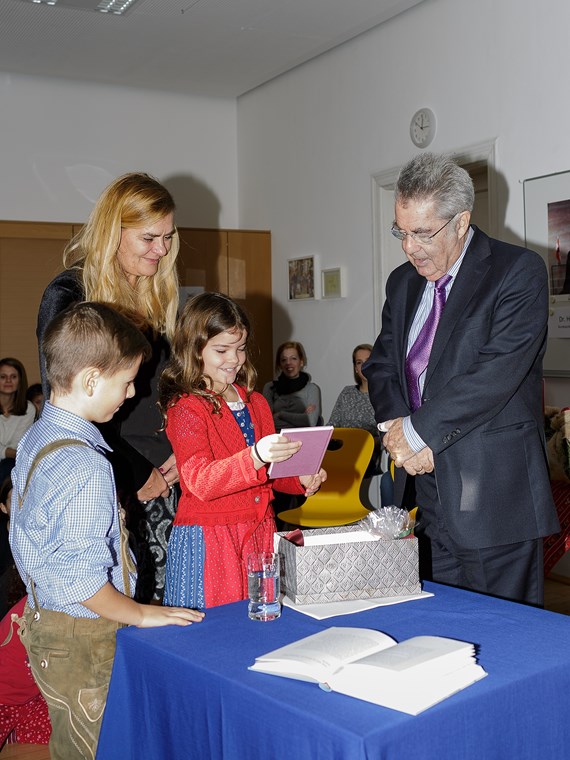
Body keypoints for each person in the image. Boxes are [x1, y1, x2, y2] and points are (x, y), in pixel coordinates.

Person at [9, 302, 204, 760]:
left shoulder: (40, 437)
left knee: (74, 739)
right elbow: (80, 579)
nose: (133, 393)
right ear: (92, 380)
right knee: (95, 746)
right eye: (127, 381)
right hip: (82, 634)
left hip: (48, 623)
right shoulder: (86, 465)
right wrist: (139, 614)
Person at [364, 152, 559, 606]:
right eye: (401, 232)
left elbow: (493, 374)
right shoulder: (403, 282)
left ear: (461, 222)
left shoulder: (517, 271)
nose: (409, 247)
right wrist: (397, 431)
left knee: (505, 639)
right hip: (428, 494)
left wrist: (415, 434)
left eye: (422, 233)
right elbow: (382, 364)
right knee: (446, 632)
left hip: (495, 499)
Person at [37, 172, 180, 602]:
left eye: (168, 237)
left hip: (168, 472)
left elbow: (168, 388)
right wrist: (137, 473)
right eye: (149, 239)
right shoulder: (69, 294)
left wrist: (184, 449)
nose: (162, 250)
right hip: (115, 477)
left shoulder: (157, 293)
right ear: (112, 232)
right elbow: (64, 407)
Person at [158, 292, 326, 609]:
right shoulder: (187, 407)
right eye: (222, 350)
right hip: (211, 537)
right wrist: (256, 456)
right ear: (194, 349)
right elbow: (200, 481)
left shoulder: (256, 402)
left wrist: (301, 479)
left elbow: (270, 476)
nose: (235, 359)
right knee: (214, 632)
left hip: (260, 529)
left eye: (241, 348)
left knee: (259, 621)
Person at [0, 596, 51, 748]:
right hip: (2, 701)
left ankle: (13, 731)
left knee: (78, 730)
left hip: (33, 700)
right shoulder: (38, 607)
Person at [262, 341, 322, 430]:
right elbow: (267, 423)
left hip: (303, 439)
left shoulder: (312, 389)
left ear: (301, 362)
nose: (288, 363)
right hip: (276, 439)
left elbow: (311, 422)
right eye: (284, 360)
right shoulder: (270, 388)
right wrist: (301, 417)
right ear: (280, 364)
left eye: (293, 358)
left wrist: (281, 414)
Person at [0, 359, 36, 484]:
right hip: (11, 457)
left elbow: (18, 444)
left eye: (13, 376)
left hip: (10, 463)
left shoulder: (28, 408)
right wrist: (8, 452)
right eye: (3, 377)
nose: (8, 381)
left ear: (20, 380)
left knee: (10, 467)